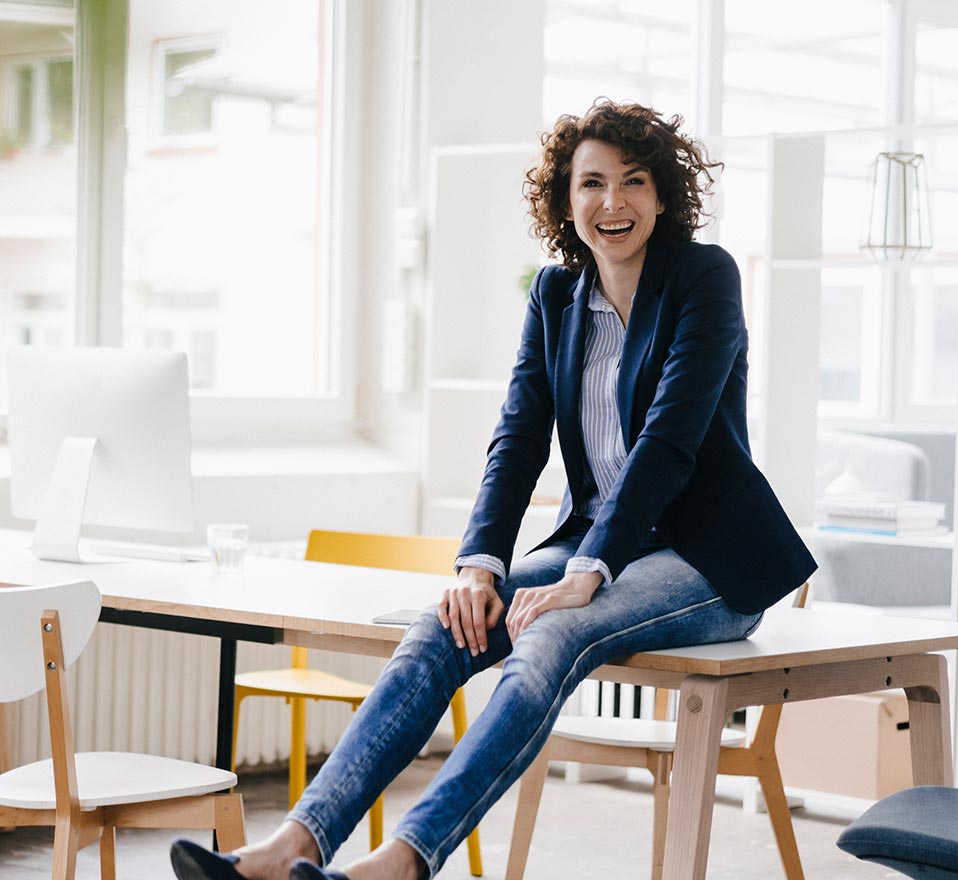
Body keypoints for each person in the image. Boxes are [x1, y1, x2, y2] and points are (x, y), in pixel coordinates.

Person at [170, 98, 816, 880]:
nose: (612, 203)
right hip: (599, 550)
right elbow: (517, 440)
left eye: (634, 182)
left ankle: (405, 861)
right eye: (592, 183)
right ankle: (288, 850)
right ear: (564, 198)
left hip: (712, 558)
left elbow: (668, 443)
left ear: (663, 195)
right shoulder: (555, 296)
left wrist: (589, 570)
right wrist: (480, 566)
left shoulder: (704, 279)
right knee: (441, 627)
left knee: (549, 634)